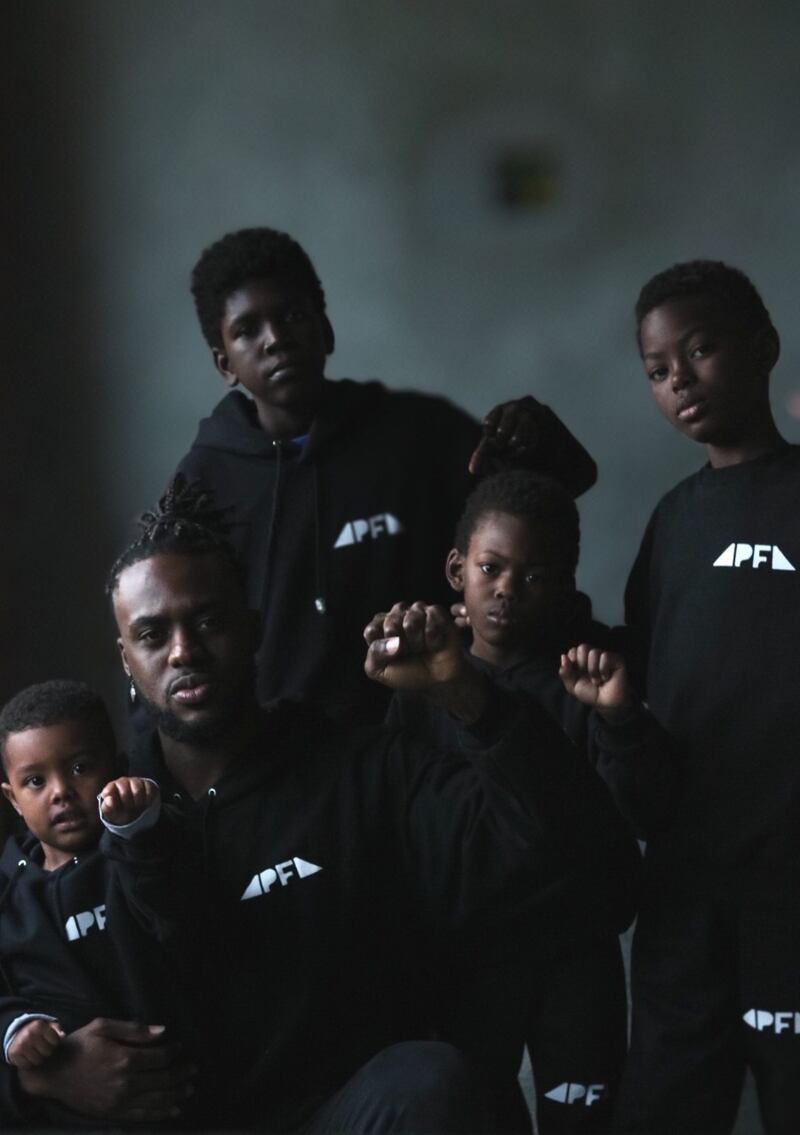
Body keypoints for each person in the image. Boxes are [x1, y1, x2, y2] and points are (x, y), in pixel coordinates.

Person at [98, 477, 638, 1133]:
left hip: (348, 1111)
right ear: (127, 659)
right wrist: (33, 1069)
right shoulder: (92, 818)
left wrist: (466, 694)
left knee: (433, 1084)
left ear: (253, 626)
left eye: (208, 620)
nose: (184, 650)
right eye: (153, 634)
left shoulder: (359, 771)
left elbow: (569, 853)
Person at [175, 226, 597, 720]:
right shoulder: (204, 482)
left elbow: (552, 501)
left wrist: (538, 439)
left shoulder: (418, 433)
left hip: (434, 737)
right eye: (248, 329)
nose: (276, 340)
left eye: (291, 315)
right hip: (286, 762)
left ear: (326, 330)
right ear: (224, 363)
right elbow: (175, 631)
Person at [367, 470, 671, 1134]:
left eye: (532, 576)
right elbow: (401, 822)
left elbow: (636, 813)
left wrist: (620, 721)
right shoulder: (418, 686)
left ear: (564, 582)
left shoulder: (583, 679)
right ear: (457, 569)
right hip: (469, 962)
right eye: (490, 568)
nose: (506, 588)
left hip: (575, 960)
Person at [614, 260, 800, 1134]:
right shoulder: (675, 520)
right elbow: (644, 690)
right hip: (687, 890)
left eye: (701, 349)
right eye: (657, 368)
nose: (679, 379)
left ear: (762, 348)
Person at [0, 681, 193, 1129]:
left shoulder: (142, 852)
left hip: (181, 1094)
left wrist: (136, 833)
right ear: (12, 797)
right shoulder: (9, 897)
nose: (61, 791)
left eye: (81, 767)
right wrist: (16, 1029)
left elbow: (179, 917)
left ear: (117, 769)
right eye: (35, 781)